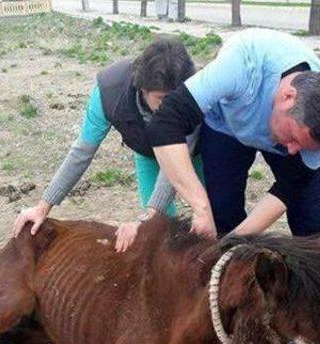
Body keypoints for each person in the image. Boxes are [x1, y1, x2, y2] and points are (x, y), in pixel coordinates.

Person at [145, 28, 320, 239]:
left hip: (275, 121)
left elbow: (289, 187)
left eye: (304, 146)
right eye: (294, 138)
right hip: (227, 126)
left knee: (309, 220)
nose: (291, 150)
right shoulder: (241, 66)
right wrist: (201, 208)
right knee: (222, 209)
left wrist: (236, 240)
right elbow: (165, 123)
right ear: (288, 97)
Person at [12, 38, 204, 250]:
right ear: (142, 88)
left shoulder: (194, 94)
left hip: (195, 152)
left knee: (215, 213)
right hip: (147, 151)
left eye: (174, 98)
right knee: (159, 230)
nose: (169, 106)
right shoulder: (109, 93)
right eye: (161, 99)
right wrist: (43, 205)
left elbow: (175, 168)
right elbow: (81, 152)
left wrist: (149, 217)